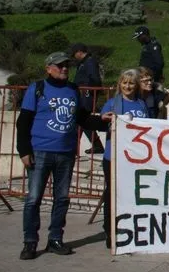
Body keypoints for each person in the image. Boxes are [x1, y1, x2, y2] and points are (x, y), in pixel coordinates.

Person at [16, 52, 105, 260]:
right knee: (33, 198)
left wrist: (104, 121)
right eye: (59, 65)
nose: (64, 68)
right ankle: (30, 242)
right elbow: (24, 122)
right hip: (40, 151)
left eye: (67, 65)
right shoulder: (37, 89)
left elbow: (82, 119)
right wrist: (24, 150)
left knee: (62, 198)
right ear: (48, 68)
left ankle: (55, 238)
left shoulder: (73, 89)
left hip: (65, 152)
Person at [97, 69, 149, 248]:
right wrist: (103, 119)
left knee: (132, 194)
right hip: (113, 157)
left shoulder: (142, 105)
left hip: (135, 158)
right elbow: (101, 123)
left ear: (136, 86)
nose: (128, 86)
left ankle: (129, 228)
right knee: (112, 194)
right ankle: (110, 230)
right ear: (120, 84)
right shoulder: (112, 104)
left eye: (131, 83)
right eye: (124, 82)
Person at [69, 43, 104, 155]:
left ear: (79, 52)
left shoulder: (89, 62)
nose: (74, 57)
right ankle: (95, 145)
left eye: (74, 54)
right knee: (82, 120)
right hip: (83, 94)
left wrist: (88, 90)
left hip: (86, 95)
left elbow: (95, 79)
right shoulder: (84, 63)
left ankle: (75, 148)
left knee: (82, 119)